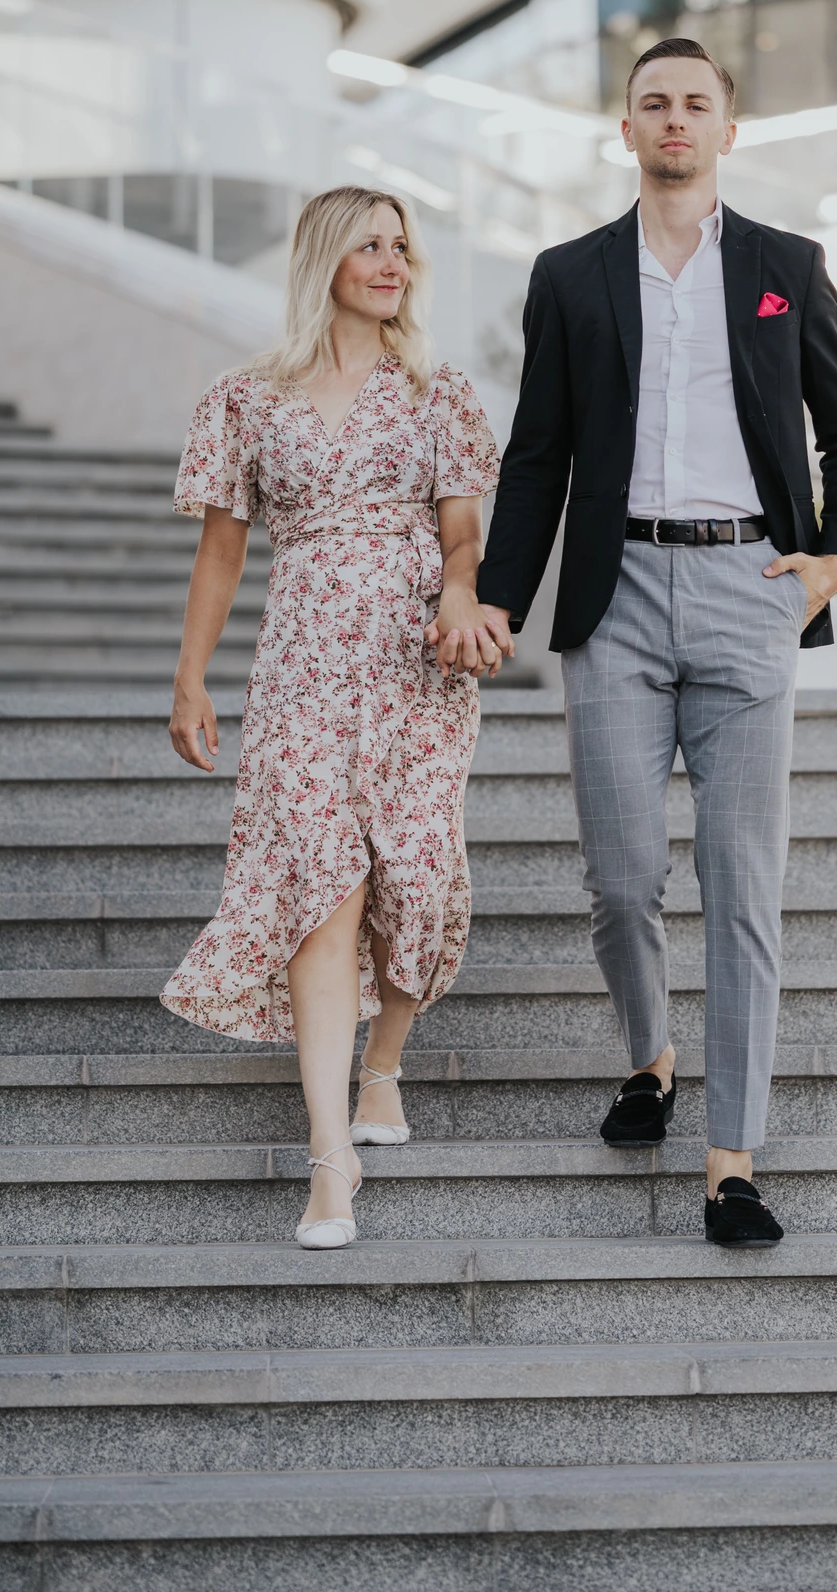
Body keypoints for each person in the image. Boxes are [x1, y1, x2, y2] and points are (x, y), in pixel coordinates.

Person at [476, 38, 837, 1246]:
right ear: (625, 130)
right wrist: (500, 593)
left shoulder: (783, 267)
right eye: (653, 103)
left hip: (749, 583)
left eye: (694, 104)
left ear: (726, 131)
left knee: (741, 881)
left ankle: (731, 1159)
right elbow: (537, 449)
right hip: (613, 594)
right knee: (618, 879)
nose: (673, 121)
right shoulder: (567, 274)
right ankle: (648, 1060)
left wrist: (834, 559)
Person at [164, 185, 502, 1250]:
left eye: (402, 246)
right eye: (370, 244)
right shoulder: (246, 397)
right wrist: (189, 676)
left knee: (415, 869)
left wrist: (457, 592)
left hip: (414, 663)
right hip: (303, 665)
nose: (393, 261)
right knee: (321, 886)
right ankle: (328, 1159)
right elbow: (222, 550)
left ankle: (384, 1064)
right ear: (325, 260)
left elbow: (462, 536)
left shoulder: (436, 390)